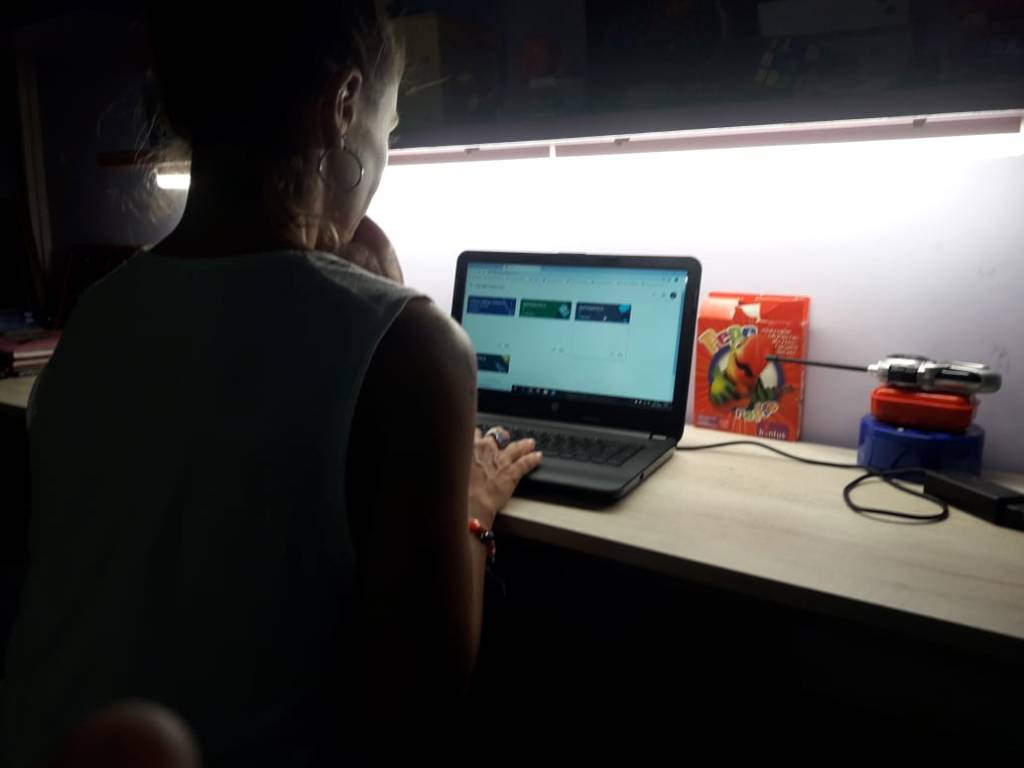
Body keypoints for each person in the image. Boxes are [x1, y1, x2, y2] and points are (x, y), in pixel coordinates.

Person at [0, 3, 542, 765]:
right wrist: (472, 506)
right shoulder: (411, 345)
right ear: (344, 104)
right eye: (388, 131)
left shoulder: (95, 314)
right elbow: (415, 701)